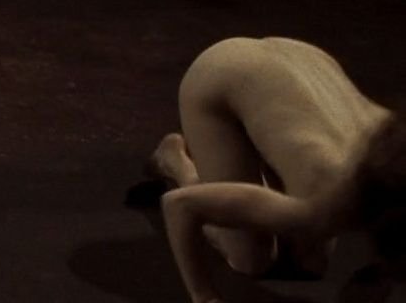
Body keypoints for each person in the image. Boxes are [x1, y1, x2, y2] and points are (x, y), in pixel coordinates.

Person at [147, 37, 405, 303]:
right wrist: (204, 296)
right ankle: (174, 161)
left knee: (310, 262)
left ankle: (263, 167)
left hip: (306, 60)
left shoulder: (390, 153)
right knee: (251, 259)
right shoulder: (328, 200)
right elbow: (180, 205)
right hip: (220, 71)